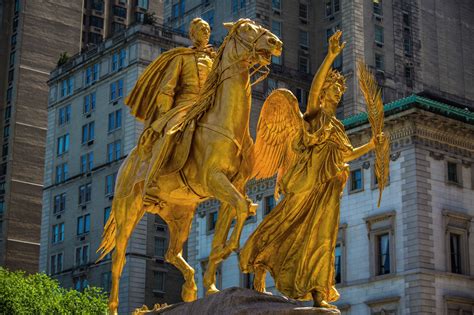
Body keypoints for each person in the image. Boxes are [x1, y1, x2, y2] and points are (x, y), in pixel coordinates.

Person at [239, 31, 381, 308]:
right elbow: (313, 90)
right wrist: (330, 56)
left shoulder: (339, 129)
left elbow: (347, 154)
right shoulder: (314, 116)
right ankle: (259, 266)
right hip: (305, 185)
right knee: (282, 226)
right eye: (334, 89)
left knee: (323, 241)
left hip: (327, 191)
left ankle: (318, 291)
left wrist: (372, 146)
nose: (338, 94)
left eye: (340, 91)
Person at [124, 18, 214, 205]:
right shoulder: (182, 58)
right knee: (171, 132)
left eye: (207, 29)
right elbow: (168, 87)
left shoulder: (214, 61)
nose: (205, 32)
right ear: (192, 34)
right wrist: (166, 113)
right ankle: (152, 181)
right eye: (201, 29)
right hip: (184, 105)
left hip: (207, 106)